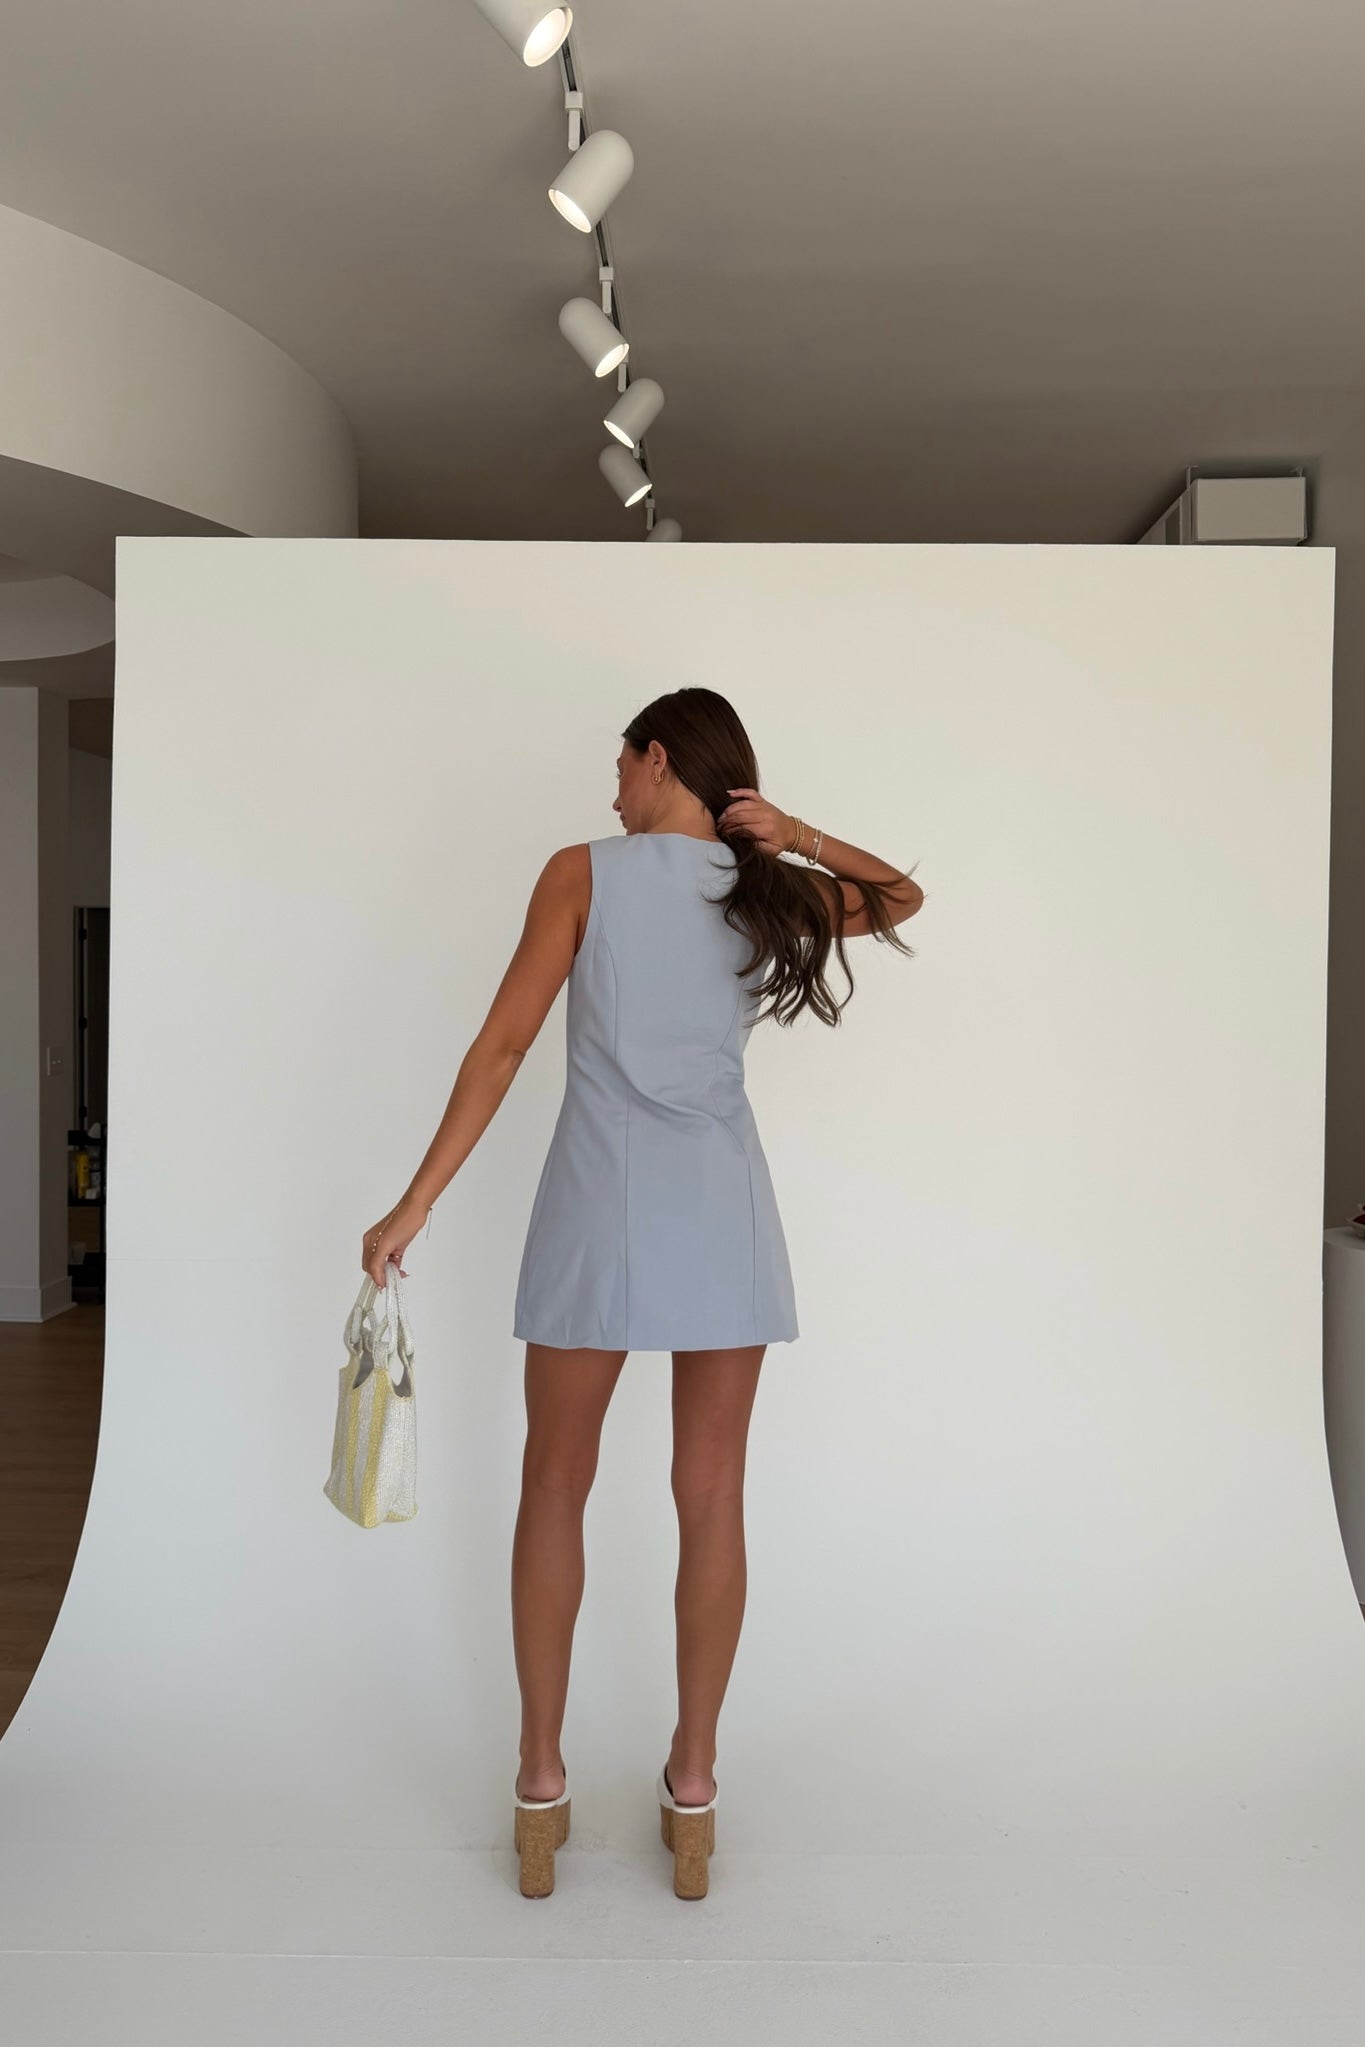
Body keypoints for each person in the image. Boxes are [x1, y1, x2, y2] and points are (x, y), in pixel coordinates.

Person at [361, 687, 924, 1897]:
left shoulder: (583, 873)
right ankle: (695, 1783)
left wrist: (416, 1202)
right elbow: (900, 897)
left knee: (553, 1482)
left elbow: (503, 1047)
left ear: (658, 757)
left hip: (596, 1211)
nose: (609, 786)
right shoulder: (760, 888)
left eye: (619, 763)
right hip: (725, 1209)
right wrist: (794, 836)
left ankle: (541, 1777)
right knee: (712, 1495)